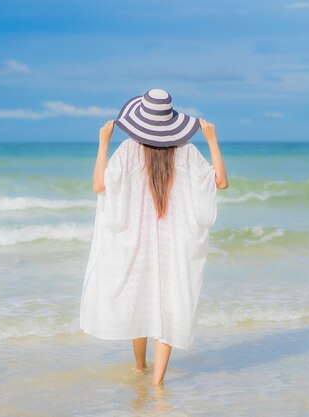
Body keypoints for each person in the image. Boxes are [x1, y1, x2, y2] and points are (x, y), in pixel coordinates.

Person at [79, 88, 228, 386]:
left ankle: (139, 368)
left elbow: (99, 185)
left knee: (140, 300)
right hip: (175, 244)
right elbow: (220, 183)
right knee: (169, 307)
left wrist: (103, 142)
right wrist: (211, 140)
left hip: (138, 242)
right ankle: (158, 383)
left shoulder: (128, 149)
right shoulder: (186, 151)